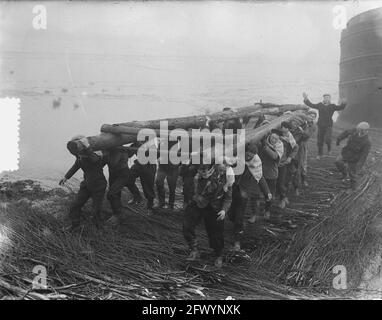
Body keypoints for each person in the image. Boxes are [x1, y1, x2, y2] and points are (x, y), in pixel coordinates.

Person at [183, 162, 232, 268]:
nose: (203, 172)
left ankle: (218, 255)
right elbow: (190, 190)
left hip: (215, 207)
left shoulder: (227, 177)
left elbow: (228, 197)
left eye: (206, 170)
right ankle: (194, 249)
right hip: (198, 203)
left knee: (216, 233)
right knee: (187, 225)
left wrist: (224, 210)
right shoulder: (196, 177)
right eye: (201, 170)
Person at [229, 142, 271, 249]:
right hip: (232, 191)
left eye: (251, 155)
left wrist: (267, 192)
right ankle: (238, 225)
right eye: (247, 153)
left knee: (239, 216)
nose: (249, 156)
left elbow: (260, 177)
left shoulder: (255, 163)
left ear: (254, 155)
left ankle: (237, 240)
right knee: (231, 214)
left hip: (243, 194)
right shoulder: (238, 159)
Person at [59, 135, 107, 230]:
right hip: (86, 185)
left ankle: (99, 228)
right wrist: (66, 177)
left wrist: (88, 146)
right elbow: (77, 165)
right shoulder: (80, 154)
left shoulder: (95, 152)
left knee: (96, 209)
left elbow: (95, 160)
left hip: (98, 185)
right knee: (75, 205)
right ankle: (75, 225)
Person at [104, 146, 141, 225]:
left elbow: (113, 163)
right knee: (117, 193)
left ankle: (118, 215)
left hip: (123, 174)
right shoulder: (110, 148)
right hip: (113, 174)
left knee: (112, 194)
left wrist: (107, 152)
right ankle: (118, 212)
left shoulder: (121, 149)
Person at [303, 92, 347, 159]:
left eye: (328, 98)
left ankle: (329, 148)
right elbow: (311, 105)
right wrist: (306, 98)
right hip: (320, 125)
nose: (326, 99)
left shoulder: (332, 106)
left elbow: (340, 108)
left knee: (328, 139)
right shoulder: (320, 105)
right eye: (325, 98)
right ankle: (319, 154)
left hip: (328, 125)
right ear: (323, 98)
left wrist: (343, 103)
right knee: (320, 140)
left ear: (330, 99)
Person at [335, 122, 371, 189]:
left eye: (362, 130)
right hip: (346, 152)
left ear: (366, 131)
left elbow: (364, 155)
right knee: (338, 162)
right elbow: (345, 133)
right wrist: (339, 139)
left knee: (352, 173)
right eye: (359, 129)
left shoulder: (367, 142)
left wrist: (359, 165)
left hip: (355, 158)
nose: (359, 131)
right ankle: (344, 174)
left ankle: (353, 188)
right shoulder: (354, 131)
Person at [126, 140, 157, 213]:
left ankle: (150, 206)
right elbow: (129, 154)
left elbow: (154, 156)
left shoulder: (152, 143)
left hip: (149, 165)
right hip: (138, 164)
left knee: (148, 187)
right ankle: (137, 197)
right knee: (127, 179)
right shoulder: (136, 142)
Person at [258, 131, 284, 219]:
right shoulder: (264, 142)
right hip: (262, 172)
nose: (274, 140)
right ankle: (259, 209)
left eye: (276, 139)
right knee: (260, 192)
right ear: (269, 137)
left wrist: (265, 146)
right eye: (272, 138)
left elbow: (274, 156)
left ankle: (267, 210)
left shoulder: (279, 146)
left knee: (269, 194)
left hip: (272, 174)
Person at [277, 122, 299, 209]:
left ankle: (283, 198)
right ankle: (280, 196)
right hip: (274, 161)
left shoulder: (290, 137)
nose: (283, 129)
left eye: (285, 127)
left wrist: (290, 158)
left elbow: (296, 148)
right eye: (282, 127)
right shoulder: (277, 135)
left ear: (288, 129)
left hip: (283, 162)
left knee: (282, 181)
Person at [154, 139, 180, 211]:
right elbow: (157, 154)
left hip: (173, 167)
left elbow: (183, 154)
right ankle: (161, 202)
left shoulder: (178, 142)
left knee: (172, 187)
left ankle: (171, 205)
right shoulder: (162, 141)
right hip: (162, 166)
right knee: (158, 182)